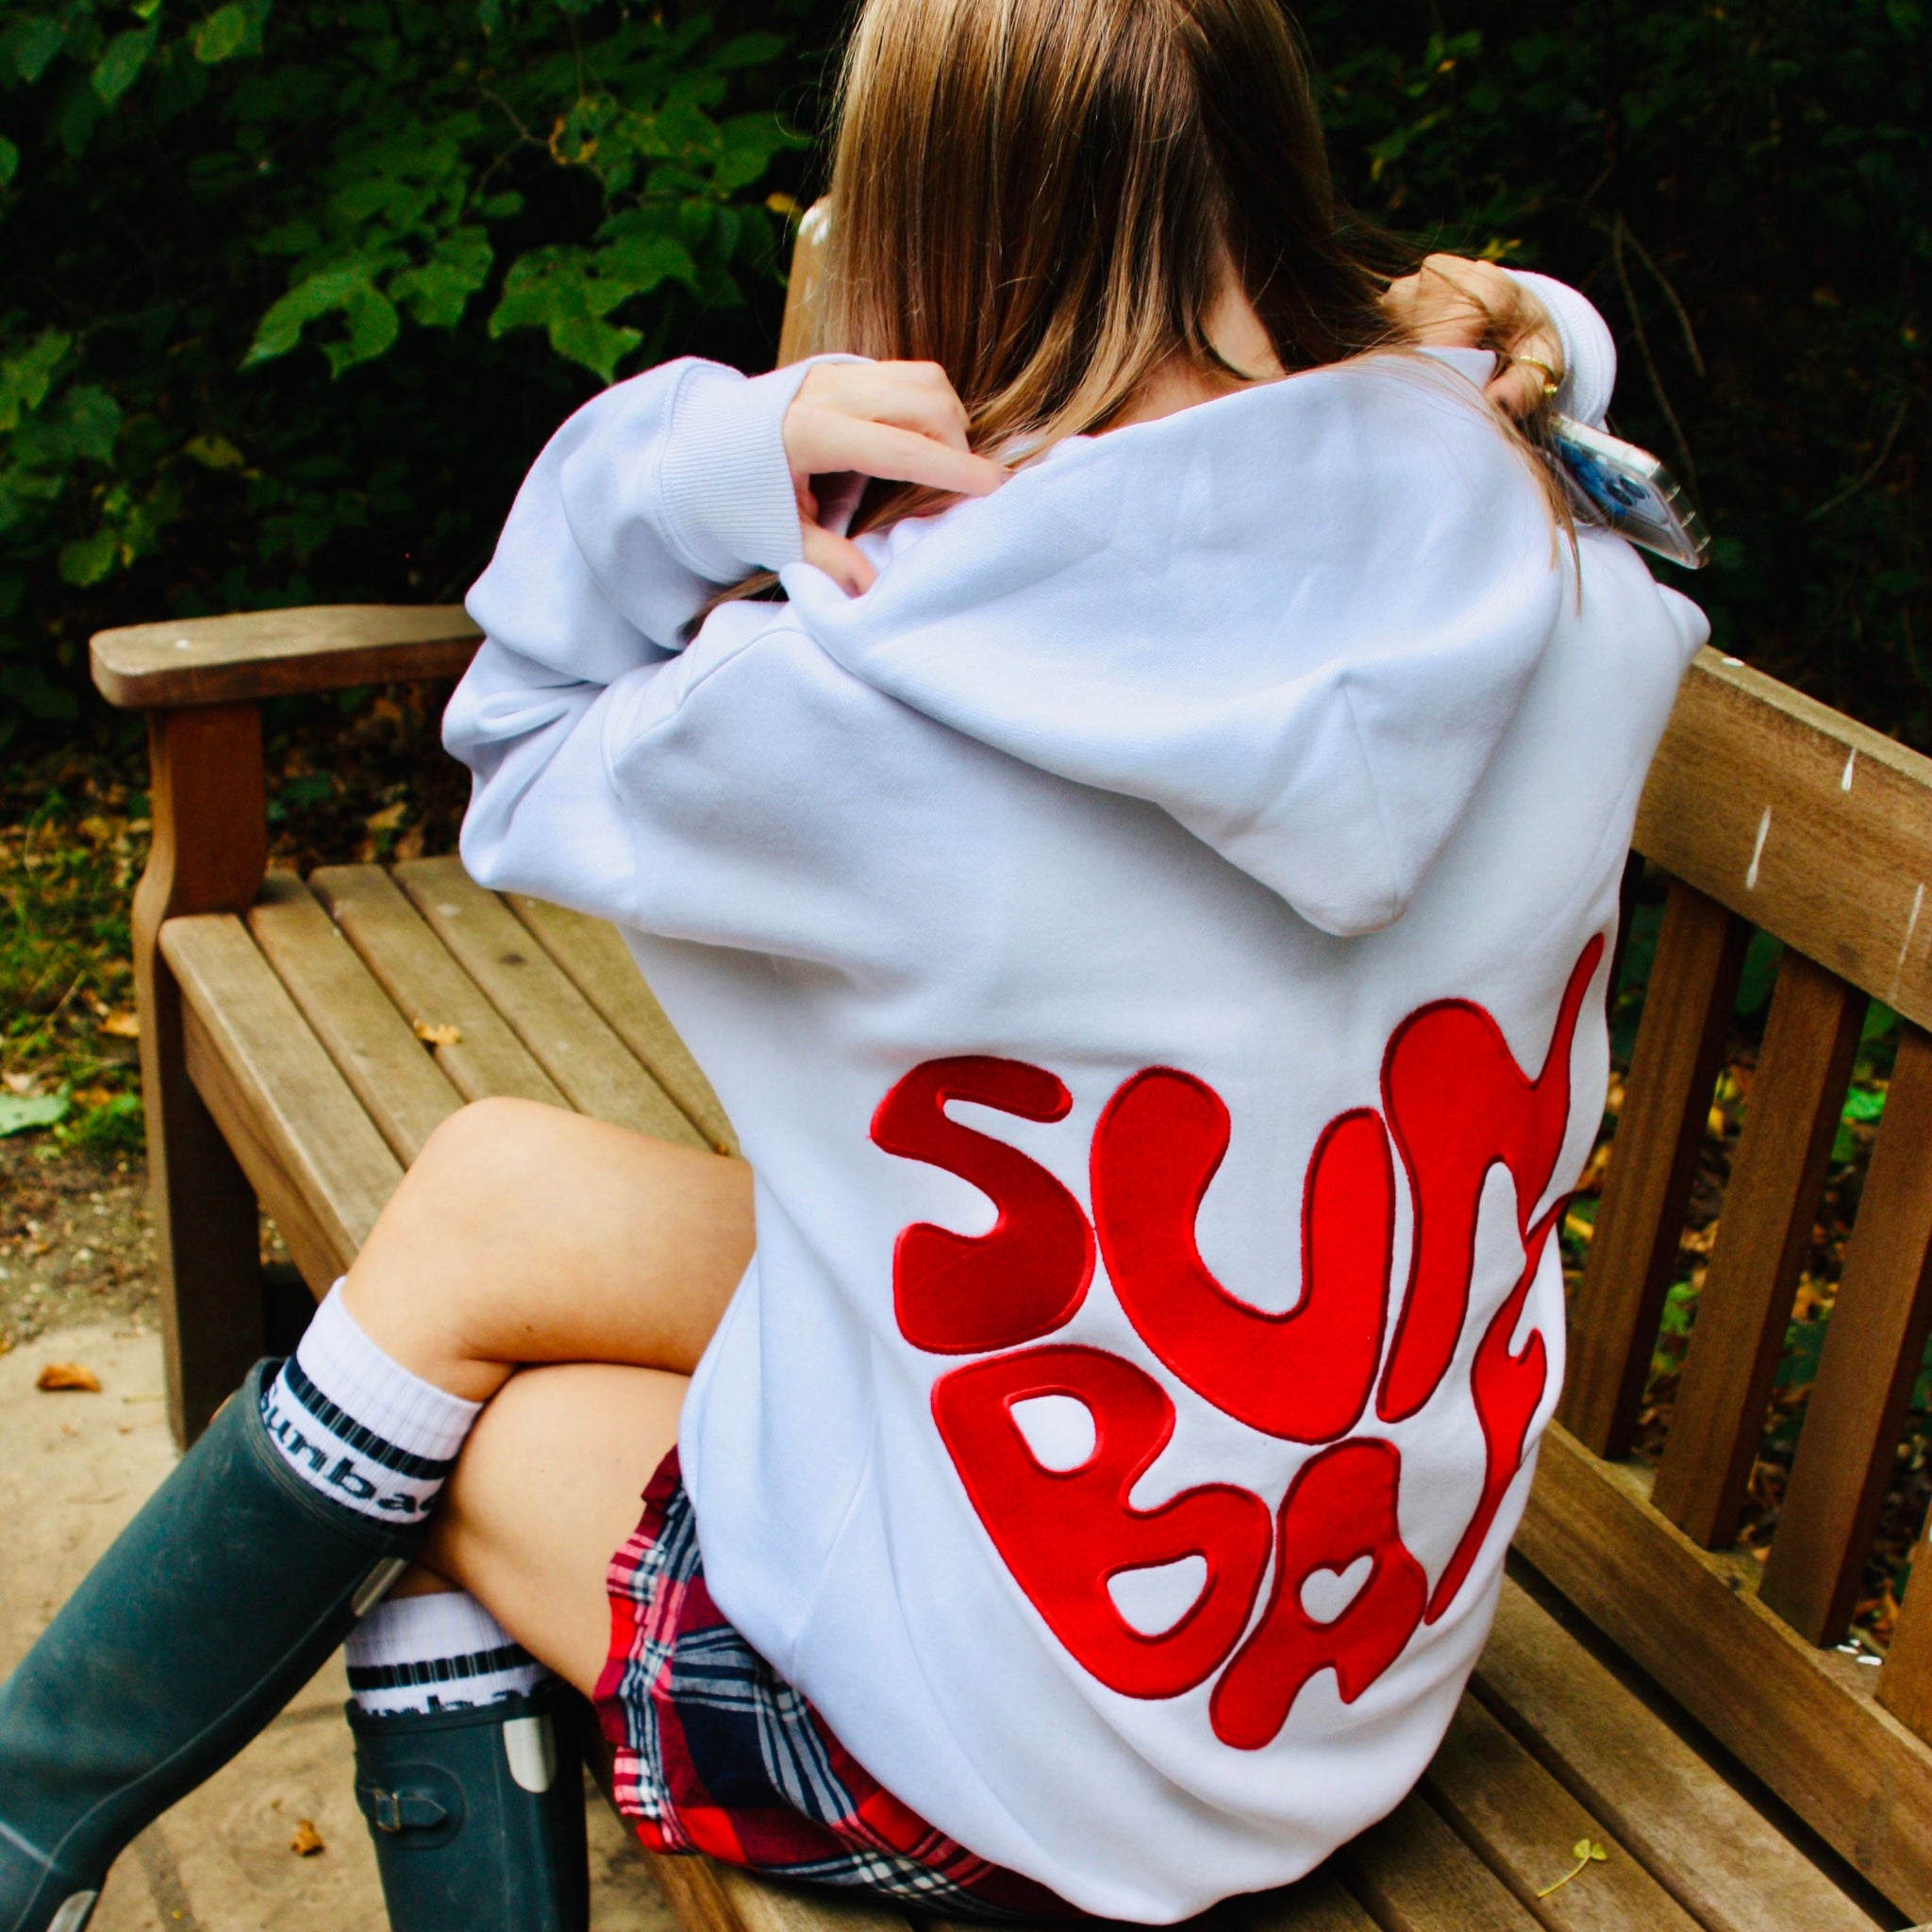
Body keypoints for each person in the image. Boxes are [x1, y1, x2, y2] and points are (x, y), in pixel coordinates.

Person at [0, 0, 1708, 1927]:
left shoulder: (875, 687)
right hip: (1329, 1643)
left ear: (917, 241)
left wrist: (722, 454)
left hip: (1040, 1769)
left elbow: (523, 726)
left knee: (448, 1477)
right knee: (487, 1184)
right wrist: (1465, 326)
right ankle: (20, 1832)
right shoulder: (1553, 534)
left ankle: (27, 1829)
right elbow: (1546, 331)